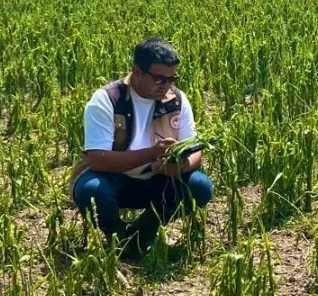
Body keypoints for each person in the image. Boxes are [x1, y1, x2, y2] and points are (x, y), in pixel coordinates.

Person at [71, 37, 214, 255]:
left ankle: (144, 231)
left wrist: (180, 166)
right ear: (137, 71)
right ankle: (117, 236)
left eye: (172, 79)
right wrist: (153, 154)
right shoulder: (106, 99)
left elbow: (195, 150)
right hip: (115, 179)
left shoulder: (177, 99)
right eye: (159, 79)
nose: (167, 86)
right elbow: (98, 160)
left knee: (200, 187)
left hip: (157, 179)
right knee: (91, 191)